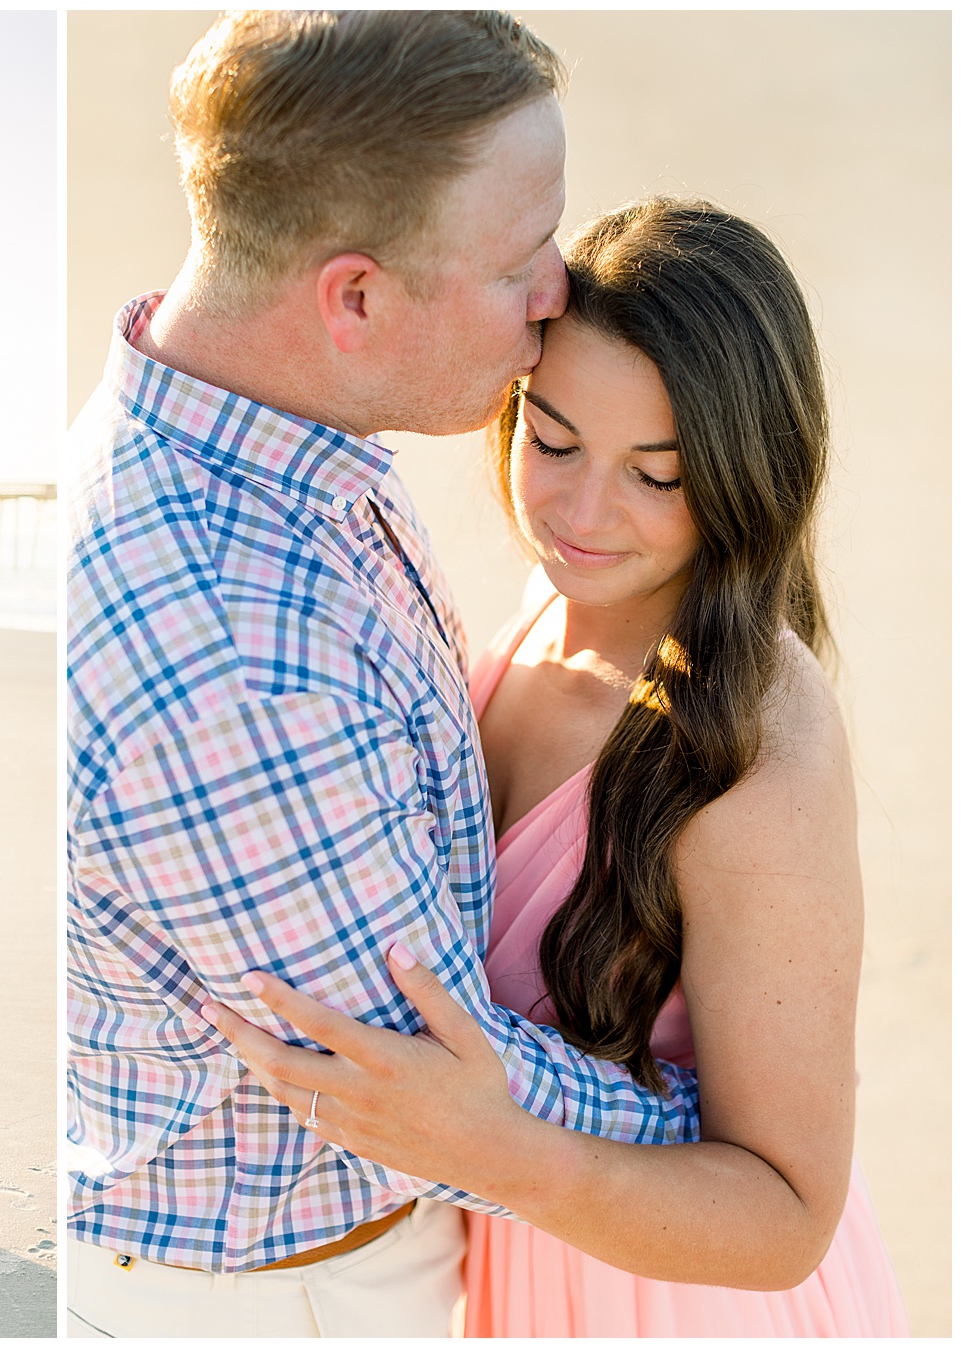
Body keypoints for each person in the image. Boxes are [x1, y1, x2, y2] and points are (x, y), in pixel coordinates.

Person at [67, 11, 701, 1337]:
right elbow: (422, 1087)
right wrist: (727, 1145)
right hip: (294, 1295)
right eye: (522, 258)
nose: (558, 293)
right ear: (353, 297)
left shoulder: (254, 433)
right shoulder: (235, 652)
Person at [203, 199, 908, 1335]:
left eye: (657, 476)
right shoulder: (553, 607)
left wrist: (499, 1148)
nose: (582, 514)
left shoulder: (755, 751)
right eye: (555, 439)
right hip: (515, 1276)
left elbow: (788, 1212)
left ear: (743, 471)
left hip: (677, 1306)